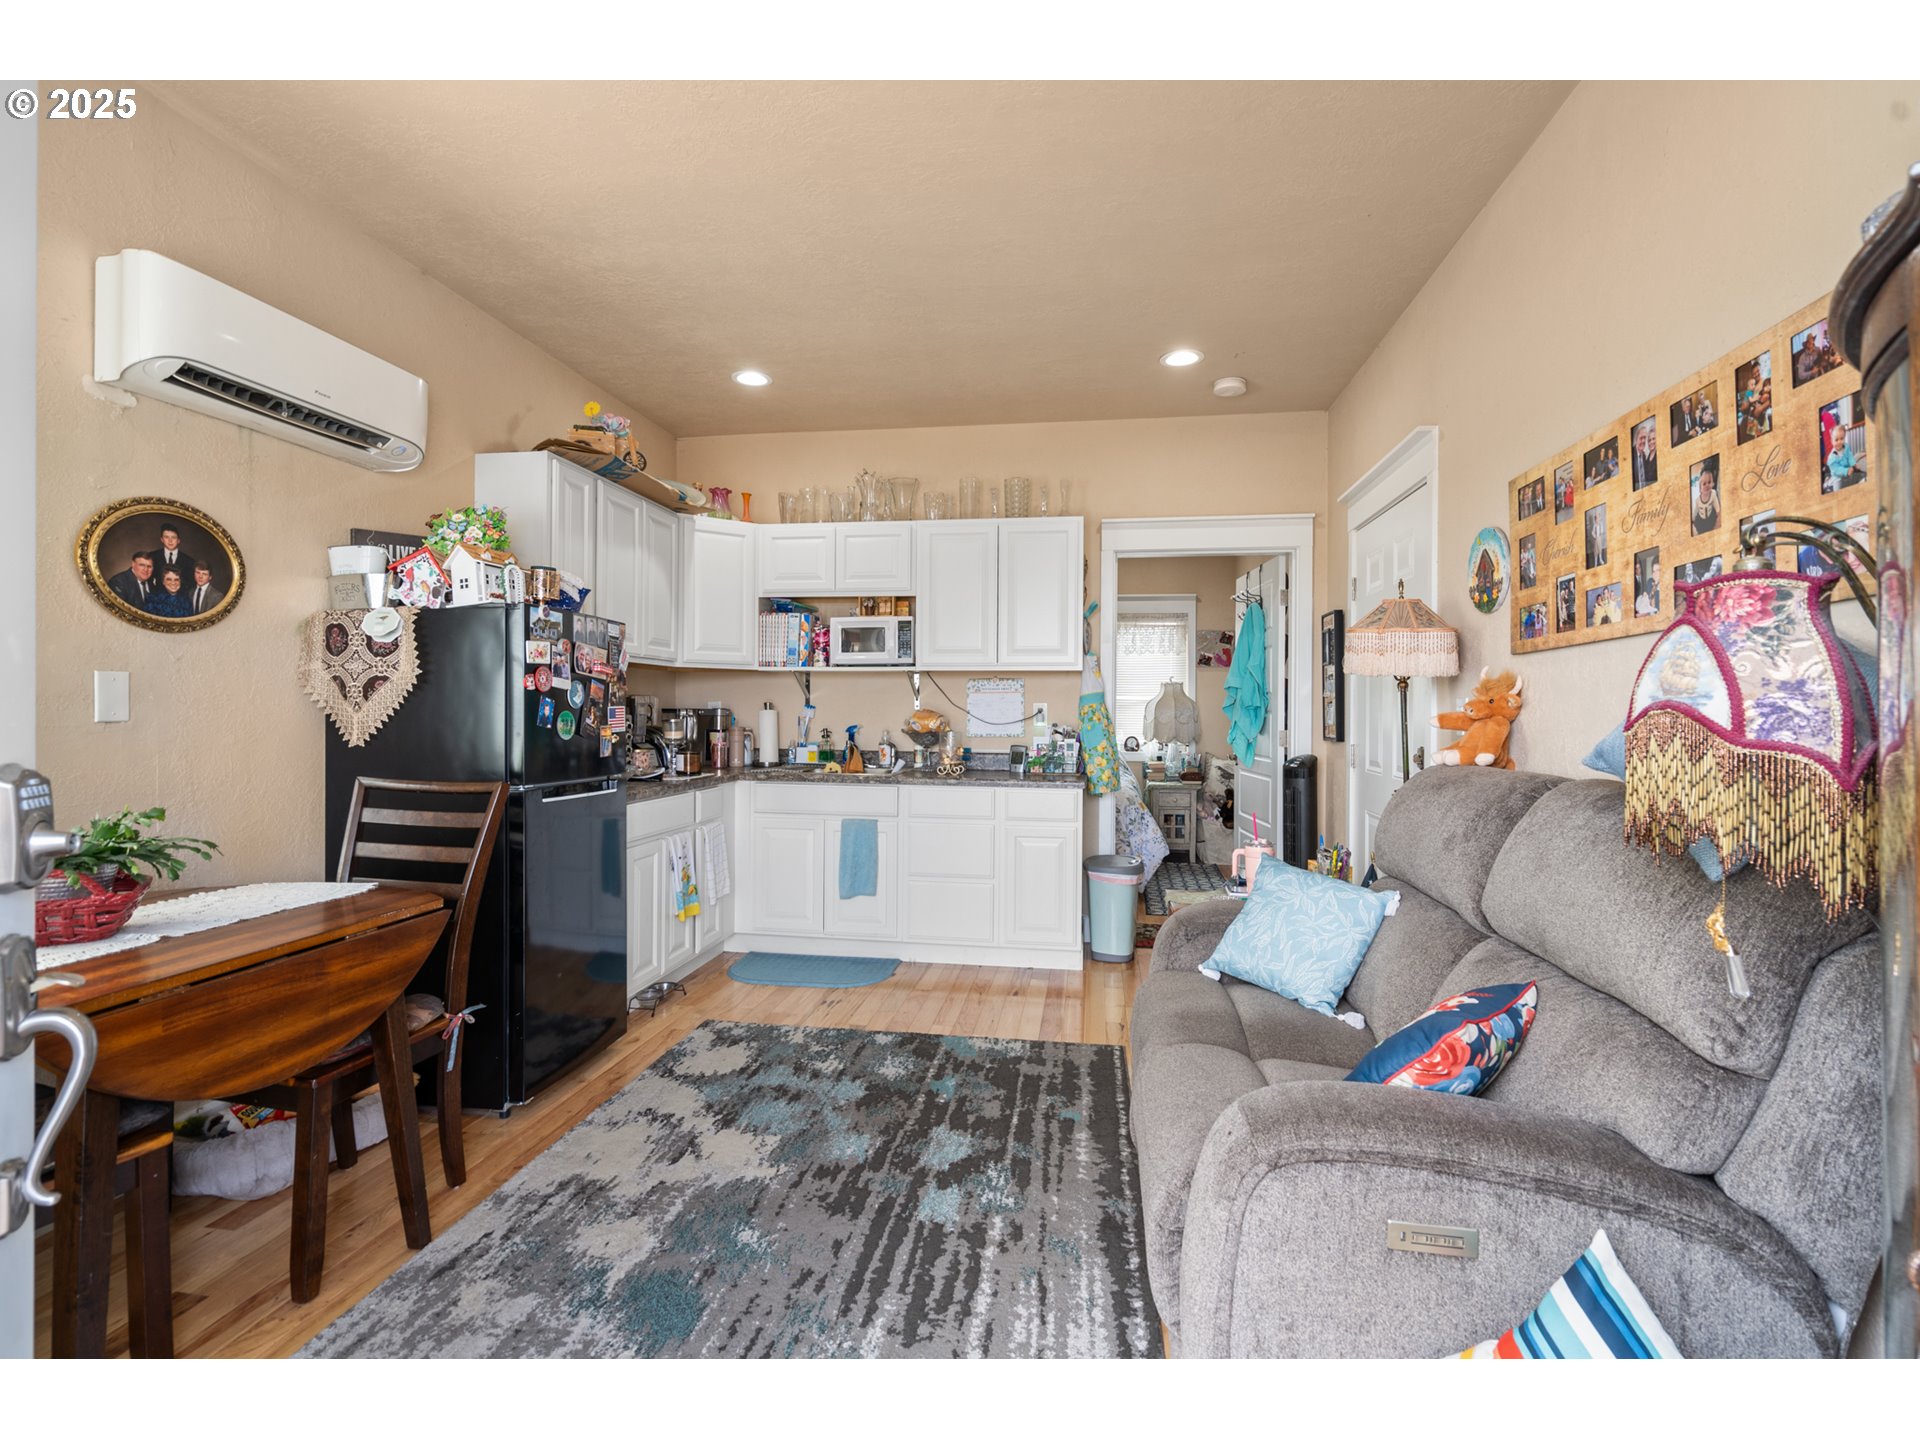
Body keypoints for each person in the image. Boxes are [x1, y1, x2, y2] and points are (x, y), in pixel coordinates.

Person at [1825, 421, 1862, 491]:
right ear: (1832, 441)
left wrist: (1854, 464)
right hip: (1837, 475)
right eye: (1836, 440)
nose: (1839, 442)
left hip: (1848, 468)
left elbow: (1850, 456)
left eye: (1841, 438)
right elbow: (1836, 470)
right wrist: (1846, 470)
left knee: (1856, 477)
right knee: (1837, 487)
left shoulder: (1846, 447)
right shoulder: (1831, 458)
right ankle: (1828, 484)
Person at [1692, 468, 1721, 534]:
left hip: (1710, 515)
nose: (1707, 485)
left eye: (1709, 482)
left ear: (1713, 483)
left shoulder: (1713, 494)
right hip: (1701, 518)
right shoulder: (1697, 500)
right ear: (1700, 489)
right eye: (1704, 484)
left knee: (1711, 526)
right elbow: (1695, 510)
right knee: (1701, 529)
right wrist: (1693, 518)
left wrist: (1718, 511)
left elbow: (1716, 503)